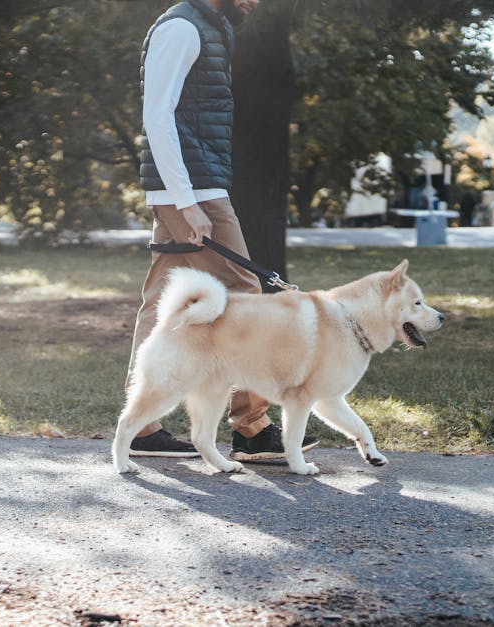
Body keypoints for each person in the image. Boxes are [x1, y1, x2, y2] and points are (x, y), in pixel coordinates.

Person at [128, 0, 316, 460]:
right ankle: (252, 428)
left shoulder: (212, 28)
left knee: (159, 303)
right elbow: (158, 116)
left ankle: (142, 426)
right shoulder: (181, 29)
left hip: (189, 185)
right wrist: (188, 200)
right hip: (191, 189)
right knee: (244, 291)